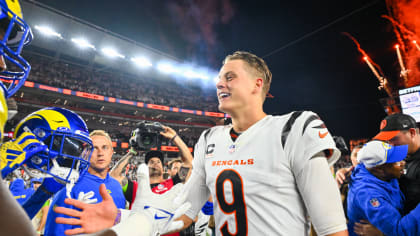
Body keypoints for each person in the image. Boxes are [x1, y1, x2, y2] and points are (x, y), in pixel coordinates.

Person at [57, 51, 348, 235]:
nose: (219, 84)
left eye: (230, 77)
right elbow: (182, 211)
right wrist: (125, 221)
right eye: (219, 79)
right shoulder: (210, 139)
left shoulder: (295, 128)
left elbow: (331, 226)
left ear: (257, 84)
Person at [44, 130, 125, 236]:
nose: (100, 153)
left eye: (105, 147)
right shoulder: (70, 185)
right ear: (85, 153)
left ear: (111, 152)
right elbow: (55, 231)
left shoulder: (116, 185)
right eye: (94, 148)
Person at [347, 140, 420, 235]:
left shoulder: (375, 170)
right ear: (379, 169)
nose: (403, 162)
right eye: (396, 161)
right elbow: (399, 231)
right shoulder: (368, 194)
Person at [373, 113, 420, 214]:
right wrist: (348, 172)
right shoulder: (400, 154)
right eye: (388, 141)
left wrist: (396, 229)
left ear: (412, 133)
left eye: (394, 138)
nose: (391, 145)